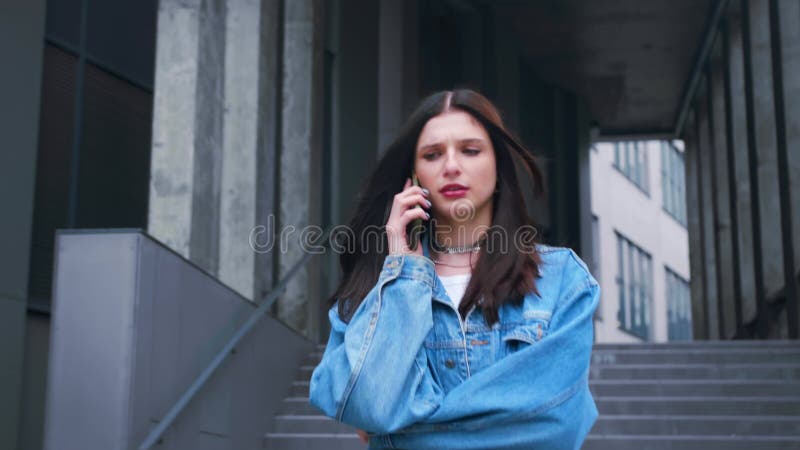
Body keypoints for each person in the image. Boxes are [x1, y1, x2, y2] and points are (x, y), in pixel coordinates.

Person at [309, 89, 600, 449]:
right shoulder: (372, 286)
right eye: (432, 155)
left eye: (470, 150)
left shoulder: (562, 279)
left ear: (497, 169)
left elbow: (553, 426)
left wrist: (402, 430)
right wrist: (404, 269)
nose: (450, 166)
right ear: (413, 177)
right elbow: (365, 404)